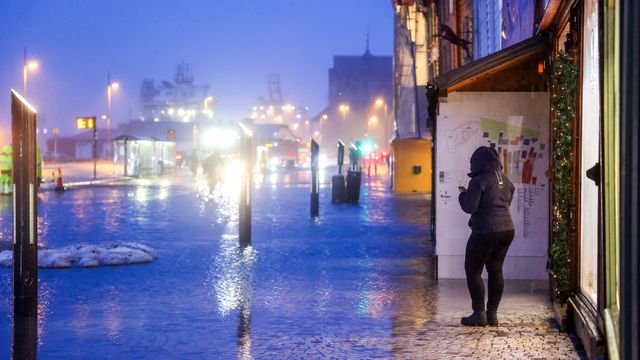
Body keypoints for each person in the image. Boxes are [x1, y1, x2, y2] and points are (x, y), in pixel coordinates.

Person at [458, 146, 515, 326]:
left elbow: (470, 207)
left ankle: (479, 314)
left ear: (478, 162)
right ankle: (492, 314)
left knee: (473, 269)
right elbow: (504, 203)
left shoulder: (479, 180)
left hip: (485, 230)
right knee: (495, 270)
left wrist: (463, 195)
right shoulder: (506, 181)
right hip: (506, 230)